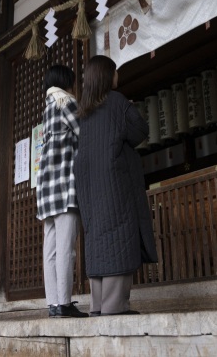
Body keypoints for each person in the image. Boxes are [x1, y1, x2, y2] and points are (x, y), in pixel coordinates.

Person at [73, 55, 156, 316]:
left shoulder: (84, 112)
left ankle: (98, 306)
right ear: (108, 76)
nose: (118, 75)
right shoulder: (117, 102)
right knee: (119, 235)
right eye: (115, 71)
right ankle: (115, 307)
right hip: (114, 184)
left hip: (88, 188)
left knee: (98, 238)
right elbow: (141, 131)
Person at [35, 64, 88, 318]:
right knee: (67, 248)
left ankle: (54, 304)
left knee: (51, 250)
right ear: (66, 82)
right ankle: (65, 303)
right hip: (65, 187)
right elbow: (84, 132)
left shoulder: (47, 107)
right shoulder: (66, 102)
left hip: (46, 191)